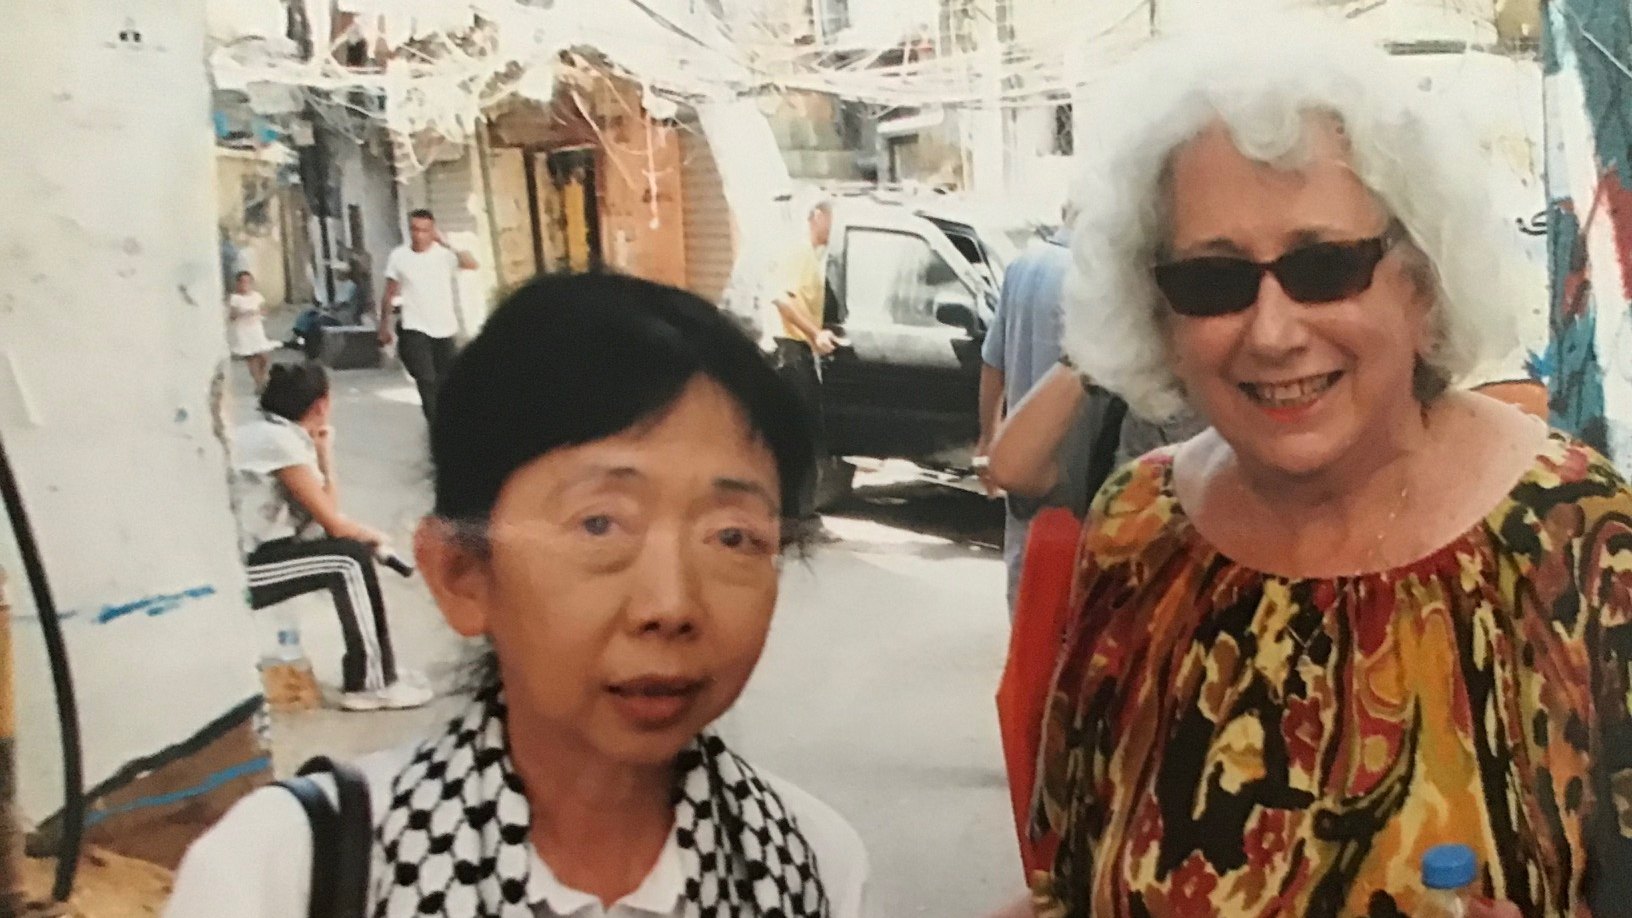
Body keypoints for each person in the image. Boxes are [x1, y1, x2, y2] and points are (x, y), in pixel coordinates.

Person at [989, 19, 1632, 918]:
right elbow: (1071, 871)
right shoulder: (1137, 529)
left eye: (1325, 266)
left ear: (1421, 280)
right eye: (1214, 280)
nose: (1274, 330)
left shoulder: (1584, 542)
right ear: (1162, 312)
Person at [168, 273, 868, 918]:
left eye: (731, 537)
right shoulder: (287, 876)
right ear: (462, 574)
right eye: (600, 525)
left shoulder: (806, 863)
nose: (671, 606)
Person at [229, 363, 432, 712]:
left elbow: (326, 519)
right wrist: (372, 535)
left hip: (260, 554)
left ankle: (376, 673)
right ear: (321, 405)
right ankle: (371, 685)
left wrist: (324, 455)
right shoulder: (277, 441)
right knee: (347, 560)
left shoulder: (280, 435)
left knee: (346, 553)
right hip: (241, 571)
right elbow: (334, 523)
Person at [769, 200, 840, 533]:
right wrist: (816, 334)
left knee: (807, 436)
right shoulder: (799, 253)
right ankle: (794, 518)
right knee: (802, 437)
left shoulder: (813, 257)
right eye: (832, 219)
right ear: (817, 217)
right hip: (791, 351)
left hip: (800, 350)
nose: (834, 227)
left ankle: (800, 515)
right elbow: (783, 300)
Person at [378, 208, 478, 423]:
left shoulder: (444, 256)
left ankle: (449, 421)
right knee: (426, 379)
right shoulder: (399, 256)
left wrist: (447, 243)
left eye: (424, 230)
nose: (419, 235)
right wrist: (383, 326)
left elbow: (471, 264)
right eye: (415, 229)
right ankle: (435, 425)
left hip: (444, 328)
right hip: (414, 327)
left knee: (447, 380)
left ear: (433, 231)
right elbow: (389, 292)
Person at [226, 270, 275, 393]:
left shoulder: (257, 296)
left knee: (264, 356)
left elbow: (264, 309)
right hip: (243, 330)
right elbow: (232, 315)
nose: (245, 285)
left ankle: (263, 376)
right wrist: (242, 313)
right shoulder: (235, 298)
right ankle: (258, 382)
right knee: (251, 357)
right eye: (242, 282)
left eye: (247, 282)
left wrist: (259, 312)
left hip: (256, 329)